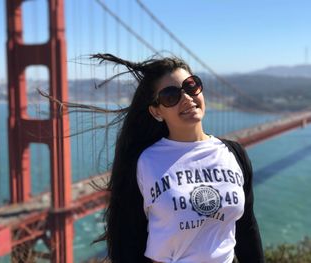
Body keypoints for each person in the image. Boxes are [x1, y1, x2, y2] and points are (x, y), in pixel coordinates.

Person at [87, 53, 264, 263]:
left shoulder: (234, 154)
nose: (187, 98)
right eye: (171, 96)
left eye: (191, 86)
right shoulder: (145, 162)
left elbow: (246, 229)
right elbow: (127, 242)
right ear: (156, 111)